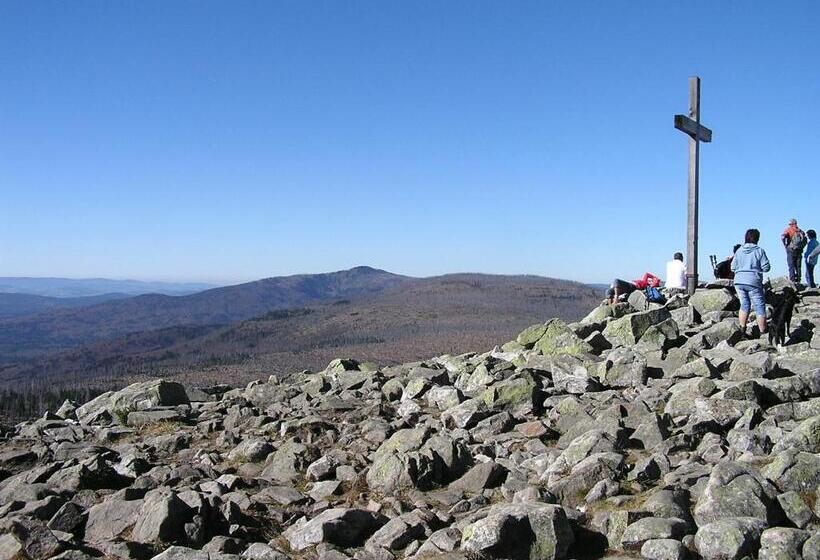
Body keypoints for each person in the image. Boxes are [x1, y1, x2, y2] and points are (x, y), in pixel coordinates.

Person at [732, 228, 771, 336]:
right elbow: (766, 267)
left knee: (744, 305)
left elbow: (733, 267)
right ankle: (763, 332)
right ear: (757, 238)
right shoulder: (759, 251)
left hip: (739, 281)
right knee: (759, 306)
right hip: (753, 281)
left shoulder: (739, 250)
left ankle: (742, 330)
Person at [781, 218, 807, 283]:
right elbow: (805, 241)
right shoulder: (801, 231)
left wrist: (785, 245)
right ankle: (798, 280)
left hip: (791, 250)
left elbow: (783, 237)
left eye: (789, 224)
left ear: (791, 224)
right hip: (799, 251)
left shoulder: (789, 230)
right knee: (798, 266)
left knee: (791, 265)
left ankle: (792, 280)